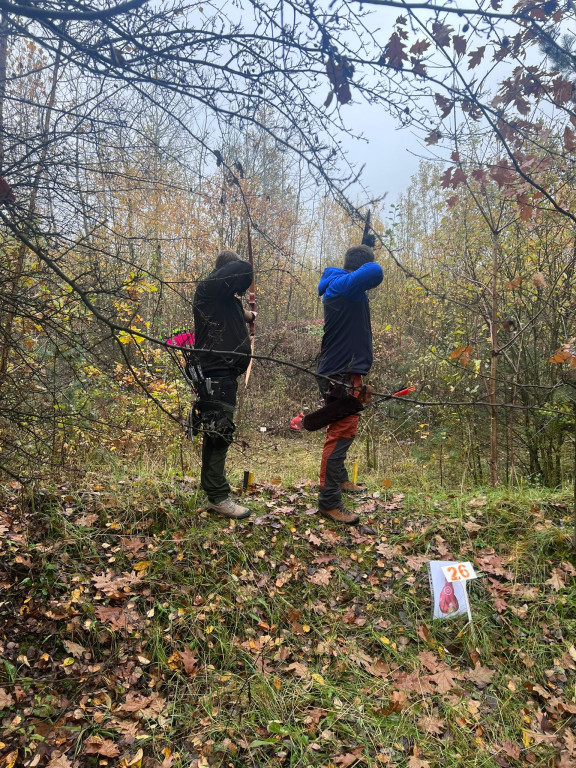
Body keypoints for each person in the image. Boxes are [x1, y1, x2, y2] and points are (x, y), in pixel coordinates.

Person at [316, 244, 383, 525]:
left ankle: (340, 480)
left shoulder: (342, 285)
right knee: (340, 433)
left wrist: (365, 246)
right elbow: (375, 270)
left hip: (344, 371)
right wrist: (368, 259)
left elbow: (365, 271)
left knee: (348, 427)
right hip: (339, 374)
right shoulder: (342, 286)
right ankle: (329, 502)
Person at [192, 250, 256, 520]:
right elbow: (244, 269)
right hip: (215, 373)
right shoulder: (207, 290)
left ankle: (212, 489)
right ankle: (218, 497)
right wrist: (238, 265)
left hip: (224, 374)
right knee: (220, 432)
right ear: (224, 274)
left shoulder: (222, 301)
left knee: (217, 431)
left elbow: (234, 313)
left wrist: (249, 316)